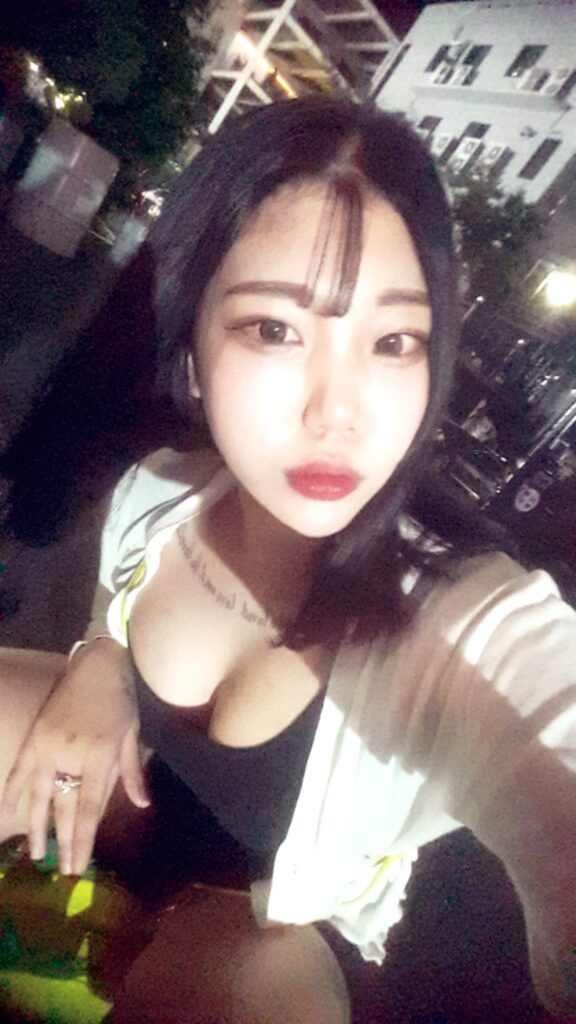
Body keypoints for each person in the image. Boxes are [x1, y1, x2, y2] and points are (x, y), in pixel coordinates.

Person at [1, 98, 575, 1023]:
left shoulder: (456, 620)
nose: (336, 411)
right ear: (191, 346)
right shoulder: (161, 488)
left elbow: (545, 721)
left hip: (255, 930)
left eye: (392, 341)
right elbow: (117, 590)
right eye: (275, 329)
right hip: (105, 806)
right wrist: (98, 660)